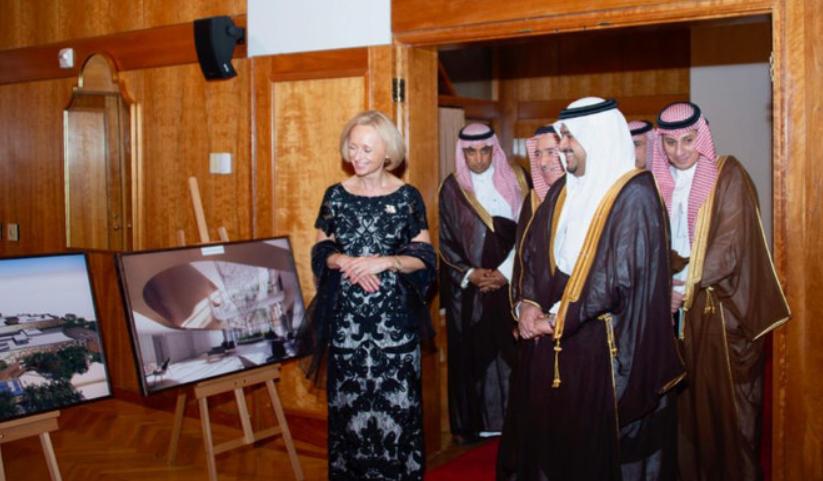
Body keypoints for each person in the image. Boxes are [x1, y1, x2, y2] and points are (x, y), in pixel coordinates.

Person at [498, 97, 684, 481]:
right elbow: (532, 254)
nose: (563, 145)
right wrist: (527, 305)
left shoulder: (635, 194)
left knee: (596, 453)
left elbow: (617, 277)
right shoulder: (563, 191)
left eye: (570, 137)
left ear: (597, 137)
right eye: (563, 135)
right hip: (551, 341)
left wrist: (559, 317)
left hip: (604, 346)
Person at [650, 101, 790, 481]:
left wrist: (683, 287)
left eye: (688, 140)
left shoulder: (728, 174)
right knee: (687, 409)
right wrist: (663, 287)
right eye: (670, 143)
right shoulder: (658, 182)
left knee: (728, 411)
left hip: (721, 311)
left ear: (702, 137)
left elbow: (729, 247)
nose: (679, 151)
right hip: (676, 311)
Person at [306, 110, 436, 481]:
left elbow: (425, 258)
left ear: (388, 152)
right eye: (353, 147)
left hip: (394, 328)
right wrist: (343, 260)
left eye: (367, 149)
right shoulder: (335, 195)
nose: (357, 156)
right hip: (347, 326)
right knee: (348, 415)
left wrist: (385, 262)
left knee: (398, 413)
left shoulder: (408, 197)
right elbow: (320, 251)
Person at [439, 123, 529, 443]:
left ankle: (515, 420)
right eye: (471, 152)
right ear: (462, 153)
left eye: (484, 150)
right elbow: (445, 241)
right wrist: (470, 274)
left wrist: (505, 271)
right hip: (471, 292)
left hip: (511, 285)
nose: (478, 158)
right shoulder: (452, 189)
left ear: (494, 149)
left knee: (512, 353)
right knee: (475, 355)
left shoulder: (518, 179)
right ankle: (476, 425)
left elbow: (529, 232)